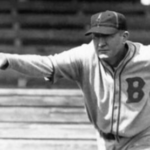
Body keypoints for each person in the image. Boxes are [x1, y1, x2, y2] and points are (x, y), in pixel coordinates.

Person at [0, 10, 150, 150]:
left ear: (124, 36)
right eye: (96, 36)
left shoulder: (145, 57)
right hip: (106, 141)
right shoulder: (84, 56)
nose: (100, 43)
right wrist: (9, 60)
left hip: (142, 138)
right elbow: (48, 64)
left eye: (107, 36)